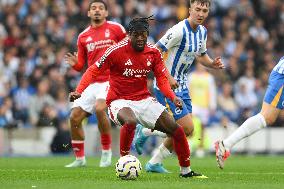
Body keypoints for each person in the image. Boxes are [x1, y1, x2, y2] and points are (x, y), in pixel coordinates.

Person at [70, 16, 206, 178]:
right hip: (118, 100)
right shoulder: (115, 51)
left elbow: (162, 79)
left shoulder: (153, 52)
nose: (141, 38)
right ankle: (124, 162)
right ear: (129, 34)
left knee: (177, 130)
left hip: (143, 100)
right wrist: (79, 90)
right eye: (137, 35)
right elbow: (93, 70)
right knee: (130, 121)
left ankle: (186, 171)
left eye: (144, 34)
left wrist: (172, 96)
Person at [134, 0, 224, 173]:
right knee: (184, 128)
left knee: (185, 130)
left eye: (204, 10)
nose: (201, 13)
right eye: (197, 9)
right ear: (189, 9)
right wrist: (167, 77)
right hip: (166, 85)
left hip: (182, 85)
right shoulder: (178, 30)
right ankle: (145, 131)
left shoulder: (202, 32)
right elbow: (155, 52)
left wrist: (213, 64)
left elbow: (201, 55)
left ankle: (153, 159)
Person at [65, 0, 127, 168]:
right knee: (74, 117)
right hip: (92, 82)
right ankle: (80, 159)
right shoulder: (83, 36)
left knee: (100, 108)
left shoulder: (116, 29)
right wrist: (75, 64)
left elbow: (129, 48)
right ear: (88, 13)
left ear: (106, 13)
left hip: (110, 79)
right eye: (93, 8)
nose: (97, 11)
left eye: (101, 8)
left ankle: (106, 153)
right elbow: (82, 66)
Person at [215, 56, 284, 169]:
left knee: (269, 117)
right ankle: (226, 144)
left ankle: (226, 144)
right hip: (282, 77)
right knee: (266, 117)